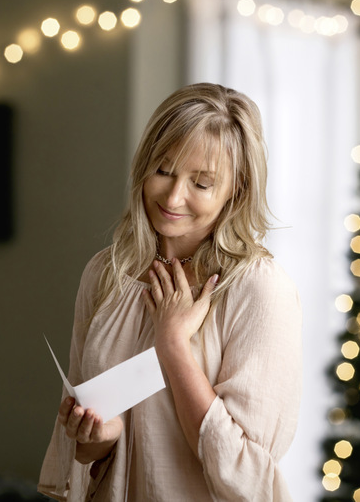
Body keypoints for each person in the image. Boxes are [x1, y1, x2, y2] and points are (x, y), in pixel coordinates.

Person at [38, 83, 302, 501]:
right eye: (163, 170)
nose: (174, 196)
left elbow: (246, 477)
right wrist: (98, 436)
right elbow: (87, 454)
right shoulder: (107, 275)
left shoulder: (259, 290)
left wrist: (173, 343)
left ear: (237, 187)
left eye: (201, 182)